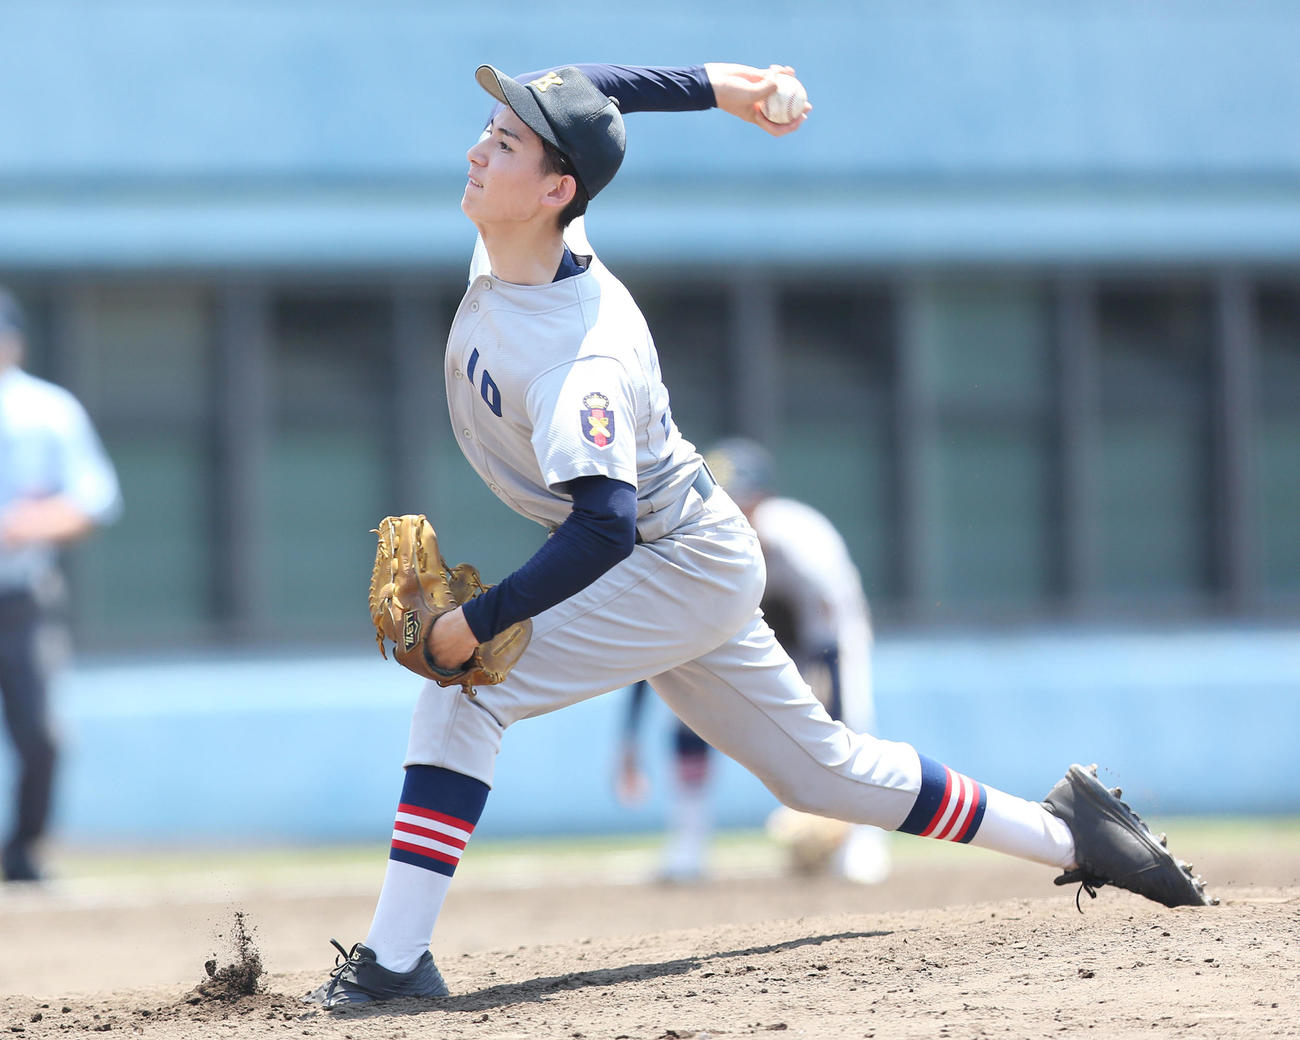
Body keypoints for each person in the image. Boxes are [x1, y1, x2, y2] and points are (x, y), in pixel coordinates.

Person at [306, 61, 1210, 1010]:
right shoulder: (520, 239)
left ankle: (394, 962)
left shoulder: (583, 360)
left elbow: (604, 531)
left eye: (503, 143)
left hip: (668, 558)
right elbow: (592, 85)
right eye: (488, 129)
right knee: (818, 773)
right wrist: (726, 87)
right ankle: (1072, 834)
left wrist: (474, 622)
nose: (476, 150)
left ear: (556, 190)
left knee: (465, 695)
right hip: (682, 553)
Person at [616, 437, 891, 885]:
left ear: (763, 498)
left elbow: (831, 645)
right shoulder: (693, 545)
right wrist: (629, 740)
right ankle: (687, 845)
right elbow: (660, 646)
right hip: (743, 634)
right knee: (690, 714)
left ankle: (862, 840)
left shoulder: (803, 543)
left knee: (852, 726)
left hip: (822, 640)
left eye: (742, 500)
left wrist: (833, 727)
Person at [0, 286, 122, 884]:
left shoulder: (46, 410)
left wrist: (27, 525)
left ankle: (23, 852)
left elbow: (94, 499)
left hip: (21, 596)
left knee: (40, 733)